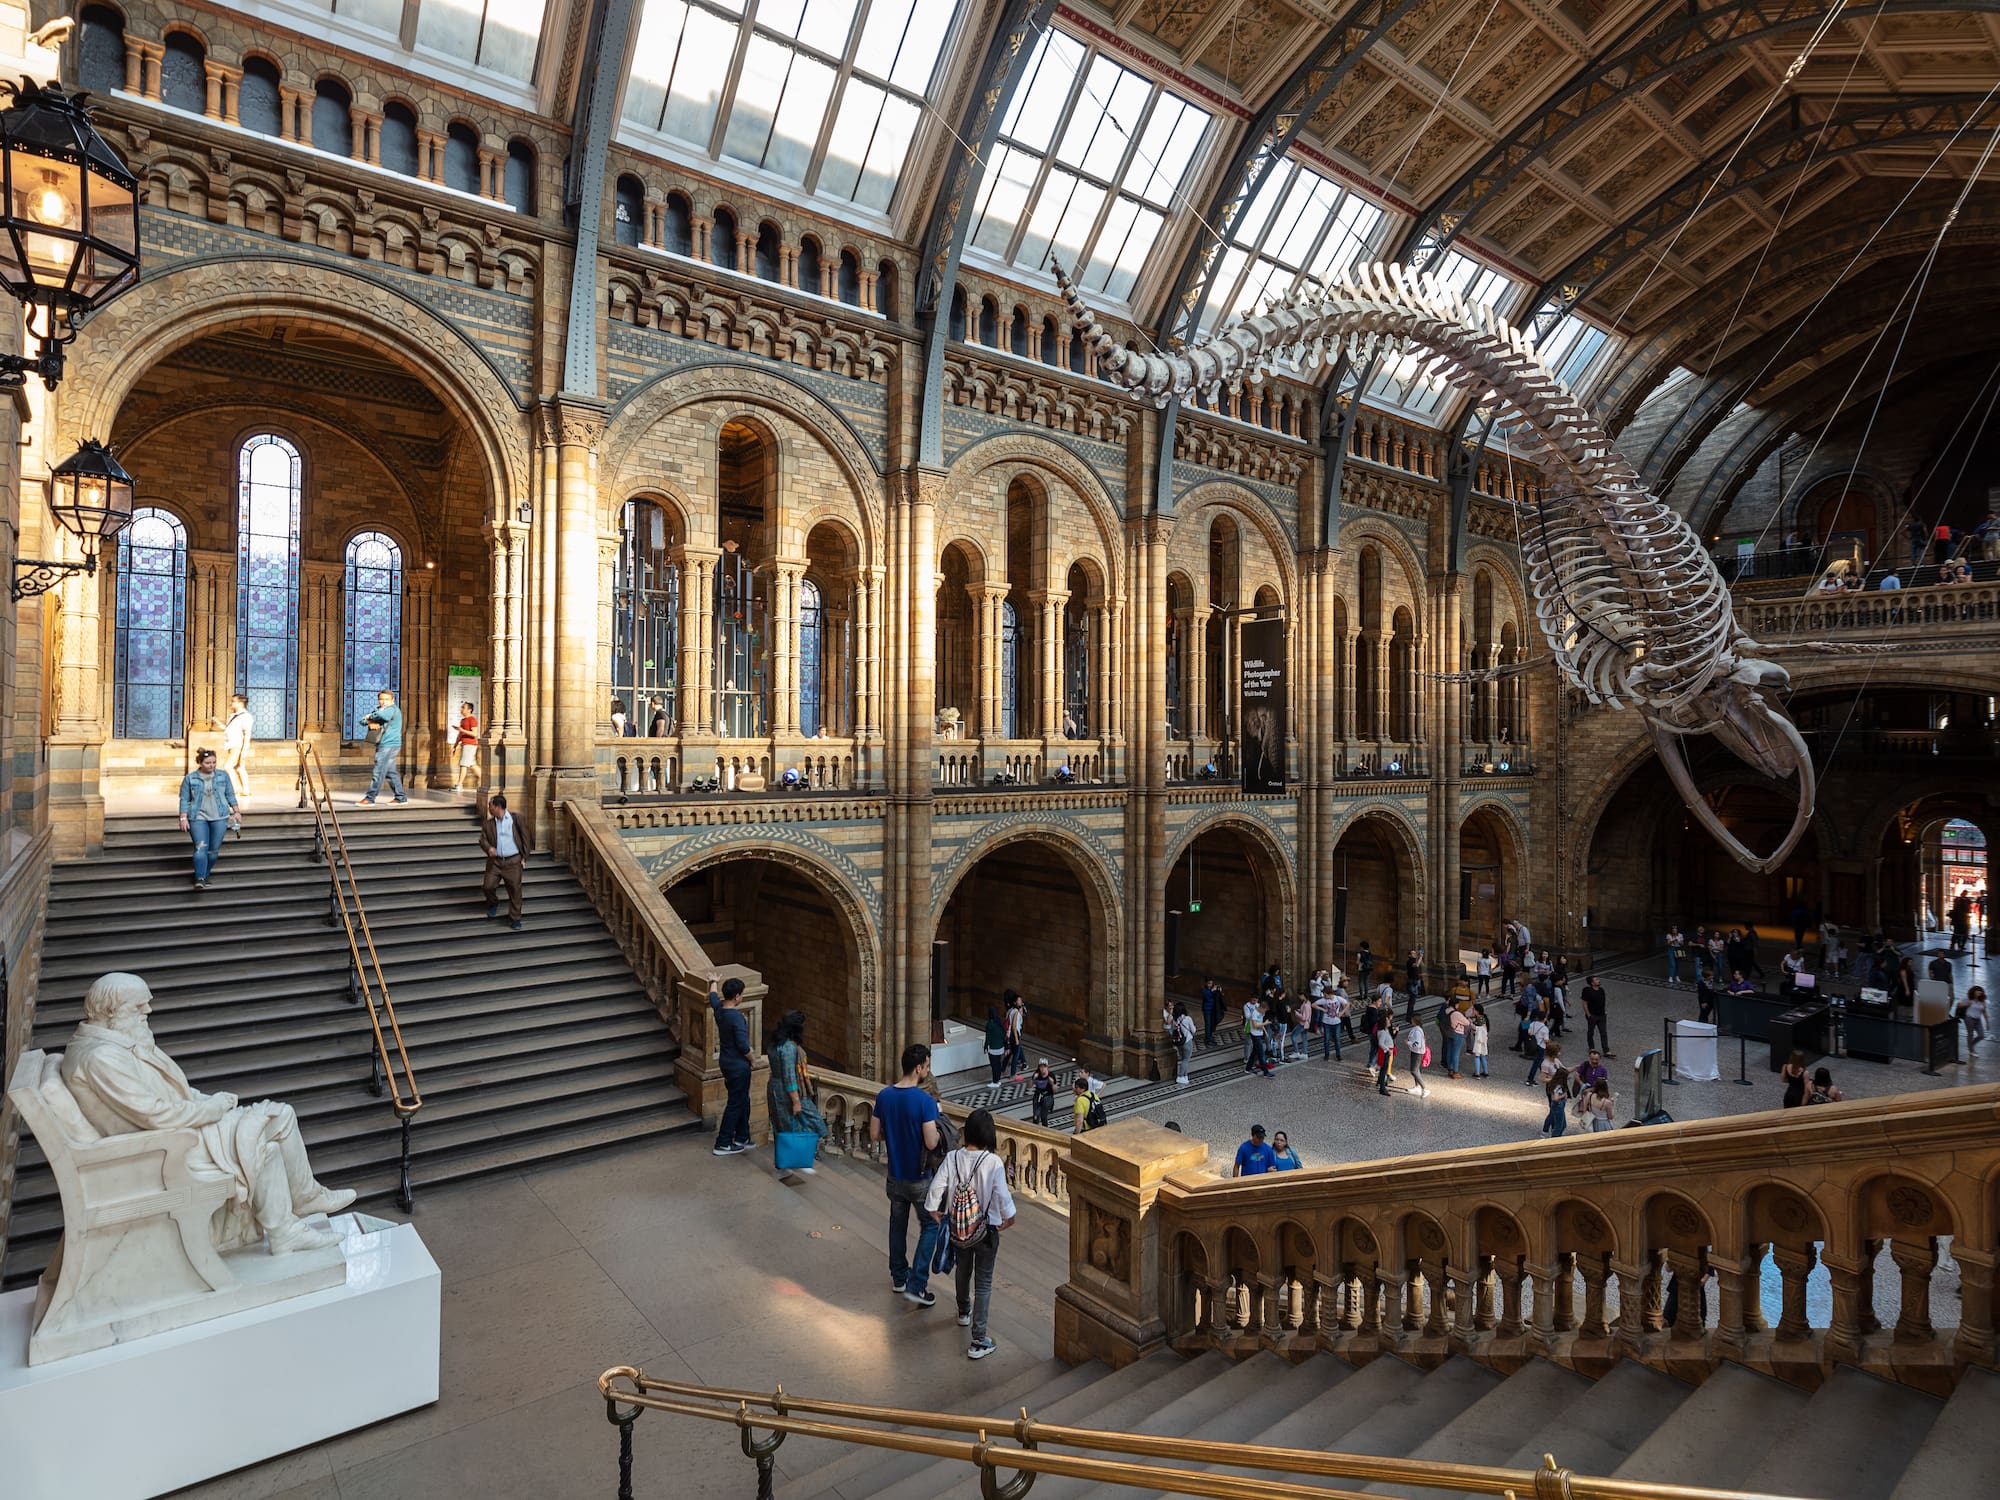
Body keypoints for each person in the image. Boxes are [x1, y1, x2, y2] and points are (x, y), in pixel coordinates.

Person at [60, 973, 356, 1255]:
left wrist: (206, 1101)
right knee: (279, 1117)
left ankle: (285, 1230)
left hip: (173, 1136)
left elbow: (168, 1093)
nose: (147, 1011)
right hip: (168, 1148)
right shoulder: (101, 1058)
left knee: (269, 1147)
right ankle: (306, 1198)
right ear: (110, 1010)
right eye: (138, 1006)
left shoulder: (113, 1044)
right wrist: (209, 1109)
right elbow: (153, 1113)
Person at [923, 1107, 1015, 1360]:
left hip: (958, 1229)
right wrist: (1009, 1217)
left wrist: (933, 1210)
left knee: (963, 1270)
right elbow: (1002, 1195)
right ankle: (979, 1339)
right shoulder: (992, 1162)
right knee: (983, 1283)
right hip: (986, 1230)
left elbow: (937, 1187)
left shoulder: (953, 1157)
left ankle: (963, 1311)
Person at [870, 1045, 947, 1304]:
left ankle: (899, 1278)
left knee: (897, 1224)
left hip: (895, 1175)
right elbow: (931, 1142)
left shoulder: (884, 1096)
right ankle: (917, 1284)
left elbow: (874, 1134)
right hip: (919, 1177)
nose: (927, 1070)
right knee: (931, 1225)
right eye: (927, 1066)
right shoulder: (925, 1102)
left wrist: (895, 1134)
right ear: (918, 1068)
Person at [766, 1009, 826, 1170]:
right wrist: (796, 1101)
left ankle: (792, 1158)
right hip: (786, 1091)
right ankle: (794, 1158)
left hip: (775, 1087)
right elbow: (789, 1076)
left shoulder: (776, 1043)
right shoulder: (788, 1047)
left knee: (783, 1125)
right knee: (806, 1122)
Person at [177, 748, 241, 891]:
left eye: (214, 762)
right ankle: (199, 878)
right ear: (200, 762)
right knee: (200, 848)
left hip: (220, 817)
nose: (211, 765)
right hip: (197, 817)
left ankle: (205, 875)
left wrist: (236, 811)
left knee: (213, 851)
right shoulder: (190, 778)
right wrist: (183, 818)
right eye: (207, 763)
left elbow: (230, 794)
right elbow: (184, 799)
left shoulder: (223, 776)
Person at [708, 975, 755, 1155]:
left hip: (726, 1062)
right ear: (737, 997)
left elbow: (713, 997)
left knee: (742, 1099)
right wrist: (752, 1059)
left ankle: (742, 1137)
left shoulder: (720, 1010)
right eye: (741, 994)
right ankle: (723, 1143)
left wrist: (713, 981)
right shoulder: (737, 1018)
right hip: (738, 1065)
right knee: (736, 1103)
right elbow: (743, 1045)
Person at [480, 792, 528, 930]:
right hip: (495, 862)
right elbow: (482, 839)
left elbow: (526, 837)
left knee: (515, 891)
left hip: (513, 861)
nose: (488, 808)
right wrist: (488, 848)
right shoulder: (488, 824)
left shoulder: (517, 819)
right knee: (488, 886)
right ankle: (493, 903)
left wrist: (524, 857)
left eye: (490, 805)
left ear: (498, 807)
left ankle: (515, 918)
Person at [358, 689, 409, 805]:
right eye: (381, 699)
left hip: (389, 745)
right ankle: (400, 797)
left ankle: (370, 798)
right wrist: (370, 722)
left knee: (379, 771)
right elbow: (361, 721)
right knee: (391, 772)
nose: (383, 702)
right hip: (383, 744)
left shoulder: (392, 709)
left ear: (393, 700)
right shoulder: (379, 710)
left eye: (386, 699)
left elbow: (381, 715)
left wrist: (369, 716)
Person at [221, 693, 254, 799]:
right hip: (231, 744)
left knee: (228, 766)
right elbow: (230, 729)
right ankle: (246, 790)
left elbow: (247, 733)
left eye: (233, 701)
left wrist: (245, 749)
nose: (231, 703)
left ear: (240, 703)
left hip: (237, 745)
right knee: (240, 767)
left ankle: (236, 789)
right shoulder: (233, 716)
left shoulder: (246, 716)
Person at [1539, 1041, 1572, 1138]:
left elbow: (1564, 1070)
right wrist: (1555, 1079)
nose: (1559, 1053)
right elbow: (1543, 1079)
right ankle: (1547, 1130)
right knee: (1553, 1110)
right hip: (1552, 1088)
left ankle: (1553, 1128)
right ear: (1553, 1053)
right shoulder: (1546, 1064)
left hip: (1559, 1086)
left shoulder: (1556, 1061)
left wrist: (1575, 1068)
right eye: (1558, 1051)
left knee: (1555, 1110)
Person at [452, 700, 480, 794]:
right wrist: (455, 746)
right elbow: (460, 735)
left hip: (470, 745)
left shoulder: (472, 720)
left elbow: (474, 734)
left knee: (463, 764)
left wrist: (462, 730)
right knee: (473, 765)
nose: (461, 709)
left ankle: (459, 785)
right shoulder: (463, 720)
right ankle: (486, 780)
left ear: (469, 710)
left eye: (463, 707)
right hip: (465, 744)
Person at [1581, 974, 1612, 1057]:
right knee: (1591, 1032)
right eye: (1596, 980)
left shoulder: (1601, 990)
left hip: (1602, 1015)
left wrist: (1605, 1011)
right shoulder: (1587, 991)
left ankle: (1606, 1050)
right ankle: (1592, 1048)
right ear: (1592, 983)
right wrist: (1588, 1014)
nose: (1598, 981)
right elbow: (1584, 1003)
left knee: (1603, 1032)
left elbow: (1602, 1002)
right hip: (1592, 1015)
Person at [1242, 995, 1273, 1077]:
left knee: (1254, 1052)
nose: (1264, 1013)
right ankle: (1266, 1072)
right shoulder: (1254, 1013)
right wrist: (1265, 1023)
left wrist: (1265, 1032)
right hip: (1255, 1035)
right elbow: (1255, 1025)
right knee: (1261, 1054)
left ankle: (1248, 1068)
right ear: (1261, 1008)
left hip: (1259, 1034)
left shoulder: (1261, 1013)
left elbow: (1260, 1022)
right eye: (1264, 1010)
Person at [1314, 982, 1346, 1061]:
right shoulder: (1324, 1000)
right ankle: (1327, 1054)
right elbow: (1313, 1004)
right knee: (1326, 1039)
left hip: (1336, 1021)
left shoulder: (1337, 998)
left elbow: (1347, 1004)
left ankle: (1338, 1055)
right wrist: (1322, 1009)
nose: (1324, 996)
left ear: (1329, 994)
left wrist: (1342, 1012)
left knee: (1337, 1039)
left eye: (1325, 994)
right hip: (1326, 1022)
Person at [1443, 999, 1471, 1078]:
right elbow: (1467, 1023)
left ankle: (1450, 1070)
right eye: (1458, 1004)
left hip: (1449, 1032)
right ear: (1455, 1005)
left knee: (1449, 1051)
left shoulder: (1446, 1011)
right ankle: (1455, 1071)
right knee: (1456, 1053)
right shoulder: (1456, 1014)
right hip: (1457, 1033)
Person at [1403, 1016, 1430, 1098]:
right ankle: (1417, 1086)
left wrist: (1408, 1043)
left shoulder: (1417, 1031)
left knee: (1414, 1071)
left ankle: (1424, 1088)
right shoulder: (1418, 1029)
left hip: (1417, 1052)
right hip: (1416, 1051)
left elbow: (1417, 1044)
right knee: (1416, 1069)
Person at [1004, 990, 1029, 1079]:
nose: (1021, 1002)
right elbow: (1014, 1026)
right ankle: (1013, 1073)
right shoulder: (1015, 1011)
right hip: (1015, 1034)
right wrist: (1016, 1038)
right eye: (1019, 1000)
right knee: (1015, 1053)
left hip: (1012, 1033)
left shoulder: (1011, 1010)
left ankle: (1002, 1069)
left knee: (1011, 1052)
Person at [1523, 1008, 1550, 1086]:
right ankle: (1530, 1079)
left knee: (1540, 1062)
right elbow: (1546, 1040)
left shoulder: (1532, 1024)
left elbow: (1529, 1033)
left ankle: (1546, 1075)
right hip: (1541, 1047)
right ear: (1544, 1018)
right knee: (1536, 1063)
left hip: (1533, 1045)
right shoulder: (1545, 1028)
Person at [1372, 1010, 1397, 1096]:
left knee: (1384, 1068)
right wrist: (1388, 1050)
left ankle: (1380, 1082)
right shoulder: (1382, 1032)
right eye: (1387, 1021)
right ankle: (1382, 1088)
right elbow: (1381, 1043)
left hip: (1387, 1051)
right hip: (1385, 1052)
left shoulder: (1385, 1030)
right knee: (1384, 1070)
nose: (1389, 1022)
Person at [983, 1006, 1010, 1084]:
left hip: (993, 1048)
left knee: (994, 1066)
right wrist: (1006, 1047)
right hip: (1000, 1048)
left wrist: (985, 1047)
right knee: (998, 1064)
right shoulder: (999, 1022)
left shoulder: (990, 1024)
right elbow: (1003, 1035)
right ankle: (998, 1080)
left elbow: (988, 1037)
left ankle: (995, 1082)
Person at [1171, 1001, 1195, 1085]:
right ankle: (1180, 1076)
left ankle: (1185, 1075)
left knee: (1183, 1058)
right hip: (1187, 1041)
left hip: (1179, 1042)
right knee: (1186, 1059)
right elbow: (1193, 1030)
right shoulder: (1187, 1019)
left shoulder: (1175, 1019)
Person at [1959, 985, 1988, 1049]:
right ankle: (1971, 1050)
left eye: (1980, 991)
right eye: (1977, 991)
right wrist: (1966, 1004)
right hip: (1969, 1019)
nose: (1979, 992)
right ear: (1974, 992)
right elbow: (1959, 1005)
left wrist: (1987, 1022)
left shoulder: (1982, 1001)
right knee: (1970, 1034)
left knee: (1981, 1035)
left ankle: (1971, 1045)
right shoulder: (1968, 998)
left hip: (1978, 1020)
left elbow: (1984, 1012)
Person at [1200, 976, 1225, 1046]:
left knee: (1212, 1023)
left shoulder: (1214, 988)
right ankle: (1208, 1039)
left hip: (1214, 1009)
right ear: (1206, 983)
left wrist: (1220, 991)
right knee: (1208, 1025)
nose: (1210, 985)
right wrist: (1212, 990)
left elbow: (1221, 996)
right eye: (1209, 983)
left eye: (1211, 983)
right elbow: (1207, 997)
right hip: (1207, 1010)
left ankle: (1210, 1036)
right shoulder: (1204, 990)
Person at [1029, 1060, 1057, 1125]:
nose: (1042, 1069)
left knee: (1043, 1116)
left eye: (1044, 1067)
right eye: (1041, 1067)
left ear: (1047, 1067)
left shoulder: (1051, 1075)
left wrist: (1052, 1084)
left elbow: (1055, 1091)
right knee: (1036, 1116)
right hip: (1038, 1096)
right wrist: (1033, 1079)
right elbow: (1029, 1086)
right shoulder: (1036, 1074)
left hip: (1047, 1096)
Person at [1469, 1004, 1491, 1077]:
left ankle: (1477, 1073)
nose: (1472, 1011)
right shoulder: (1483, 1017)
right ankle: (1486, 1072)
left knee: (1477, 1056)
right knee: (1483, 1056)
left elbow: (1477, 1028)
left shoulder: (1480, 1018)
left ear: (1477, 1011)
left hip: (1479, 1040)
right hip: (1483, 1040)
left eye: (1473, 1009)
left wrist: (1470, 1023)